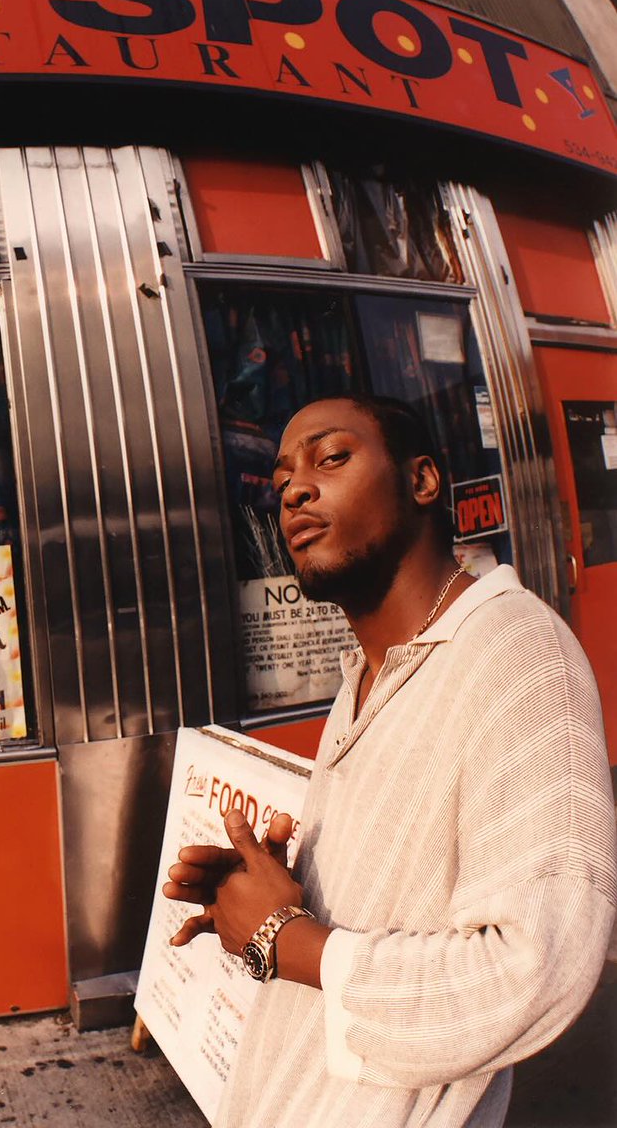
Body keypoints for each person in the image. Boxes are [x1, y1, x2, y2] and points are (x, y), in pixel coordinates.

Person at [164, 394, 616, 1128]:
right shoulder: (367, 673)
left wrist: (288, 940)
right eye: (280, 481)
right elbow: (394, 901)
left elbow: (536, 968)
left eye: (330, 457)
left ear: (423, 482)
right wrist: (264, 895)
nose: (294, 491)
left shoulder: (516, 652)